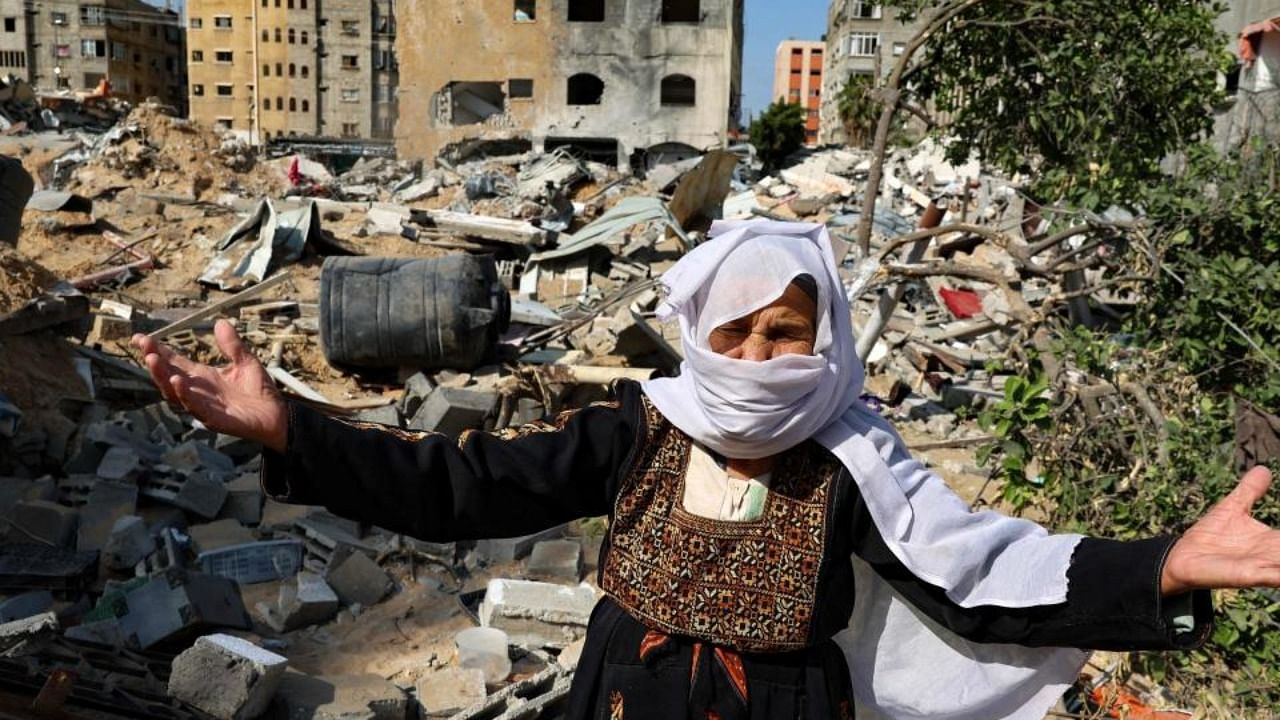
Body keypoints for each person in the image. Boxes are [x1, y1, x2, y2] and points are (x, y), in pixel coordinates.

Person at [134, 221, 1280, 720]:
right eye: (734, 333)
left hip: (783, 709)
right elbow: (460, 488)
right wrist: (290, 429)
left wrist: (1168, 567)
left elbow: (977, 571)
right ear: (695, 333)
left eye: (786, 334)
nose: (758, 360)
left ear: (822, 336)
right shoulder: (636, 429)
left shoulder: (849, 457)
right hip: (623, 696)